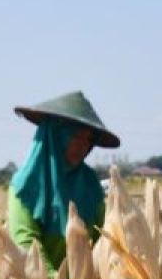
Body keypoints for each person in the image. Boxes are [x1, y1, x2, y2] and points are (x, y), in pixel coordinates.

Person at [7, 91, 120, 269]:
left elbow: (105, 235)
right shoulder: (24, 186)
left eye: (88, 139)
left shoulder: (89, 183)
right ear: (55, 135)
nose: (82, 145)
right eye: (75, 136)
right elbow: (27, 245)